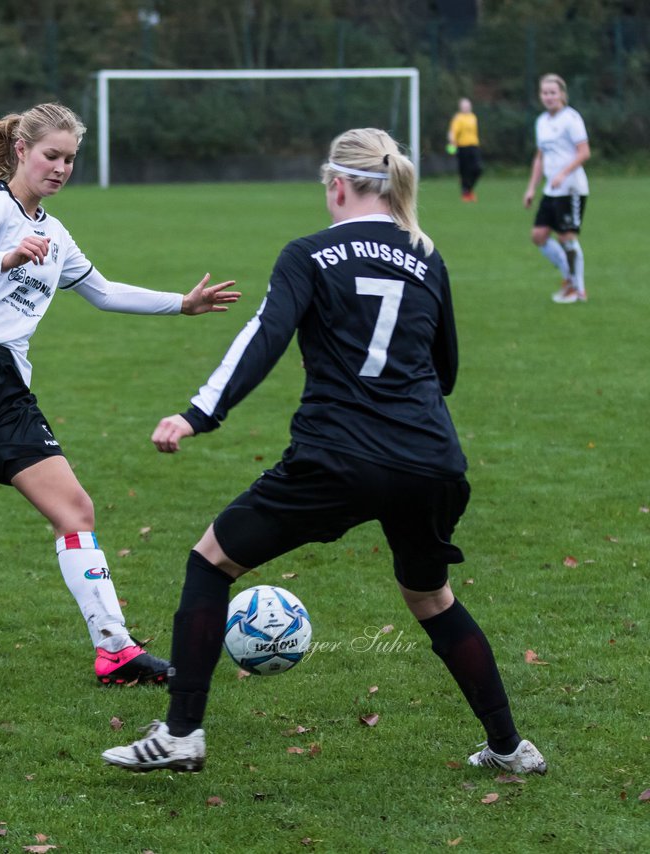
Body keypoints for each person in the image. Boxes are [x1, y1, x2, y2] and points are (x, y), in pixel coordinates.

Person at [102, 128, 547, 775]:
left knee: (211, 562)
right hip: (432, 458)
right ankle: (511, 747)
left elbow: (263, 338)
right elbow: (444, 370)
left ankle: (180, 734)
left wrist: (198, 414)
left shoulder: (310, 254)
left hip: (339, 456)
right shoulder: (427, 256)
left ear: (336, 185)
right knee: (431, 598)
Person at [0, 103, 242, 686]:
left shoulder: (55, 233)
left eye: (70, 159)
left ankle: (115, 650)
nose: (62, 168)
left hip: (7, 388)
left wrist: (182, 303)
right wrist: (6, 257)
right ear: (21, 150)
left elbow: (104, 291)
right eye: (52, 155)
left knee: (75, 511)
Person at [524, 73, 590, 304]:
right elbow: (540, 157)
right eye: (545, 93)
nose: (549, 97)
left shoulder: (571, 119)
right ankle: (568, 279)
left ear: (562, 94)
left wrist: (563, 173)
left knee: (566, 237)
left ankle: (577, 289)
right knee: (539, 235)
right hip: (551, 190)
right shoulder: (541, 121)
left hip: (571, 188)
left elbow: (584, 152)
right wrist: (531, 188)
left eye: (553, 92)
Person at [446, 97, 482, 202]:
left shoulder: (473, 117)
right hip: (462, 147)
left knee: (478, 169)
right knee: (465, 171)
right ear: (461, 107)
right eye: (464, 106)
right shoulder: (458, 118)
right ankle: (466, 192)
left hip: (474, 146)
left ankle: (468, 189)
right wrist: (452, 141)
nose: (466, 107)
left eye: (468, 105)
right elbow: (452, 132)